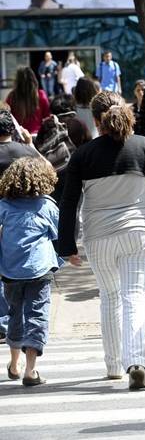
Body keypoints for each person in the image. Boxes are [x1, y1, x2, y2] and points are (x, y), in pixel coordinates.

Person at [58, 92, 145, 389]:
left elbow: (69, 202)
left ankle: (114, 365)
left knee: (110, 296)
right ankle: (136, 362)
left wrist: (67, 245)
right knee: (134, 295)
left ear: (95, 120)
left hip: (99, 237)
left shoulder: (83, 155)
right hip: (139, 234)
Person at [0, 157, 62, 386]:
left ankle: (14, 365)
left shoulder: (4, 205)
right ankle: (30, 370)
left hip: (10, 270)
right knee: (37, 315)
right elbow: (59, 235)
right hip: (39, 269)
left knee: (15, 314)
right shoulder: (47, 206)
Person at [0, 110, 41, 345]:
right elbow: (47, 169)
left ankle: (3, 322)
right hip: (19, 218)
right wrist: (30, 143)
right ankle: (10, 322)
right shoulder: (24, 151)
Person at [6, 66, 51, 135]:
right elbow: (47, 117)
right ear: (33, 79)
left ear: (17, 81)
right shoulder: (41, 94)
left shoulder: (12, 96)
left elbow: (7, 117)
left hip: (19, 136)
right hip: (38, 136)